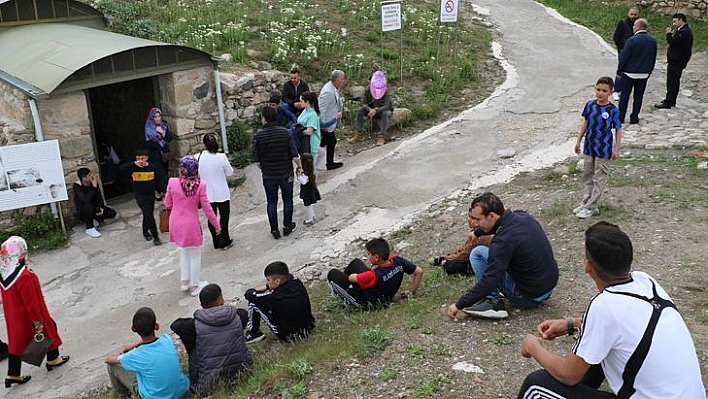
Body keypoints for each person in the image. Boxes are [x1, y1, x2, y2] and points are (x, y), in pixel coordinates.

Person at [517, 221, 706, 399]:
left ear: (588, 267)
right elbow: (625, 327)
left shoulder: (604, 305)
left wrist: (533, 346)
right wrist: (571, 324)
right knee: (596, 352)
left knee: (536, 385)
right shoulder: (645, 281)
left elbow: (569, 375)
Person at [447, 193, 558, 320]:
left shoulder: (502, 242)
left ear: (492, 216)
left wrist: (459, 305)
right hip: (547, 287)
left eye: (477, 219)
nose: (474, 223)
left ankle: (493, 303)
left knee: (477, 254)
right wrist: (477, 232)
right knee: (490, 255)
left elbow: (489, 279)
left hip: (529, 297)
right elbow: (496, 226)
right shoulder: (522, 216)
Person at [0, 236, 70, 388]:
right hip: (30, 316)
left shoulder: (4, 274)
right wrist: (37, 320)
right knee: (49, 329)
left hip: (14, 317)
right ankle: (53, 359)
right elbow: (31, 301)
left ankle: (13, 374)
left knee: (17, 344)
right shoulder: (24, 275)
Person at [170, 284, 252, 396]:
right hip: (242, 372)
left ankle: (195, 386)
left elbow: (175, 325)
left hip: (209, 384)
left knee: (196, 340)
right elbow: (245, 315)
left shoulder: (195, 325)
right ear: (222, 300)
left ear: (201, 305)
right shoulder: (239, 316)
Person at [165, 156, 222, 296]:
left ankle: (185, 282)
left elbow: (167, 203)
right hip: (191, 224)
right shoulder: (200, 186)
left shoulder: (172, 182)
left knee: (184, 252)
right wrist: (216, 224)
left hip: (175, 222)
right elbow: (207, 209)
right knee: (195, 255)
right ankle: (194, 286)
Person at [105, 307, 190, 399]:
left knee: (112, 367)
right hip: (182, 392)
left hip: (155, 397)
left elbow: (108, 360)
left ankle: (124, 395)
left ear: (133, 329)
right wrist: (139, 343)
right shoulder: (166, 339)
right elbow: (128, 349)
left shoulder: (135, 355)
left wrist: (126, 351)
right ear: (156, 326)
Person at [573, 76, 623, 219]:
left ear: (610, 92)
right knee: (587, 176)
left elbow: (618, 129)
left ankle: (592, 206)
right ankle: (586, 202)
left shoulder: (612, 110)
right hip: (589, 147)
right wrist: (578, 141)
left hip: (604, 149)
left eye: (604, 91)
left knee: (599, 177)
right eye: (598, 89)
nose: (600, 93)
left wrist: (616, 149)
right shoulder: (590, 105)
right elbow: (585, 123)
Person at [327, 238, 424, 310]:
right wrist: (411, 292)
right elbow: (419, 271)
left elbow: (352, 278)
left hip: (368, 302)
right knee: (356, 262)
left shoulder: (374, 275)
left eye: (369, 254)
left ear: (376, 257)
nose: (368, 256)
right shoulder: (398, 261)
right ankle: (350, 289)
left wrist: (354, 278)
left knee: (333, 274)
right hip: (385, 294)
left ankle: (350, 300)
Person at [252, 106, 302, 239]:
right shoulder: (285, 133)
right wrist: (300, 167)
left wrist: (264, 168)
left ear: (264, 119)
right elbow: (294, 154)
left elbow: (256, 160)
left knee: (272, 202)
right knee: (288, 199)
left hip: (269, 175)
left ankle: (274, 229)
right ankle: (287, 225)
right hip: (286, 172)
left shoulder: (258, 136)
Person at [244, 261, 315, 344]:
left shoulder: (274, 296)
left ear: (277, 281)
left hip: (290, 336)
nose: (267, 282)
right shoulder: (295, 281)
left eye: (268, 280)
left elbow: (249, 295)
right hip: (309, 326)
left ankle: (254, 333)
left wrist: (255, 290)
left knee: (253, 303)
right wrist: (268, 287)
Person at [196, 133, 234, 250]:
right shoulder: (221, 157)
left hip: (206, 193)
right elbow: (230, 172)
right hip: (221, 191)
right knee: (224, 217)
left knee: (211, 217)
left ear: (204, 144)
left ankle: (216, 241)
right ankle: (225, 239)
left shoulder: (198, 157)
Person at [616, 18, 657, 125]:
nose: (633, 27)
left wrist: (619, 71)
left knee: (624, 96)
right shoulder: (652, 40)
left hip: (630, 73)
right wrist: (649, 71)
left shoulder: (632, 40)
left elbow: (624, 57)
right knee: (638, 96)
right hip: (644, 73)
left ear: (639, 27)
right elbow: (653, 57)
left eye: (634, 25)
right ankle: (634, 117)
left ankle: (620, 117)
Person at [121, 147, 161, 246]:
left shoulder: (152, 167)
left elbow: (158, 180)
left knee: (148, 214)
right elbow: (121, 169)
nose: (140, 161)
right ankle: (156, 237)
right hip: (140, 196)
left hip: (151, 195)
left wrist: (160, 191)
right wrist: (133, 164)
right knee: (149, 215)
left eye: (142, 158)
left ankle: (145, 231)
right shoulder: (133, 167)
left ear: (147, 158)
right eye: (138, 159)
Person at [655, 13, 693, 109]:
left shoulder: (684, 32)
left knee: (672, 82)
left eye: (675, 21)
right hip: (675, 60)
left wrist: (668, 34)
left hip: (677, 61)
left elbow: (673, 42)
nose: (674, 23)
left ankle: (668, 102)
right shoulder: (681, 30)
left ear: (681, 20)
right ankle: (671, 100)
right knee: (673, 81)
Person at [349, 70, 393, 146]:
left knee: (386, 114)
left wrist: (376, 110)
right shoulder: (367, 90)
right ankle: (359, 134)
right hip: (371, 110)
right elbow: (363, 103)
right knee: (360, 111)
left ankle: (381, 136)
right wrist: (370, 109)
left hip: (382, 111)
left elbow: (387, 106)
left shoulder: (385, 90)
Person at [73, 167, 117, 238]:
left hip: (95, 208)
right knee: (88, 206)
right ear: (84, 178)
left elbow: (99, 196)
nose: (91, 176)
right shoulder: (77, 186)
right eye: (89, 175)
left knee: (112, 213)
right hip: (84, 211)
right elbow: (85, 200)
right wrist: (93, 187)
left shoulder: (93, 183)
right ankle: (89, 228)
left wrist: (101, 207)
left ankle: (95, 220)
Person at [318, 69, 346, 170]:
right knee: (331, 141)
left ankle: (317, 158)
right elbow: (322, 109)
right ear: (337, 80)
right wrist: (323, 124)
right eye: (342, 79)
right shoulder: (328, 92)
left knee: (325, 141)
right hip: (327, 123)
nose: (344, 81)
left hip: (331, 121)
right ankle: (329, 163)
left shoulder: (333, 87)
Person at [144, 107, 173, 201]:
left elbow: (169, 138)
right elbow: (148, 144)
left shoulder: (164, 125)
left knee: (164, 172)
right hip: (154, 154)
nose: (157, 118)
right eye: (155, 116)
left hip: (164, 153)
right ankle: (163, 192)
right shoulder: (148, 127)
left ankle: (164, 191)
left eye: (159, 116)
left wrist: (162, 132)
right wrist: (158, 141)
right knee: (158, 173)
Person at [611, 6, 639, 101]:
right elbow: (616, 37)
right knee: (621, 70)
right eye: (631, 14)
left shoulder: (639, 23)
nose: (633, 16)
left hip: (635, 52)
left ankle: (624, 90)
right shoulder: (622, 23)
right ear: (628, 14)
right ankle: (616, 90)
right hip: (624, 51)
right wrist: (621, 49)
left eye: (635, 14)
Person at [297, 91, 322, 165]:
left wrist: (297, 132)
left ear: (307, 102)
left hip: (311, 144)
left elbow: (309, 131)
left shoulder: (313, 115)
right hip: (303, 143)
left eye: (301, 101)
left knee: (310, 167)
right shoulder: (305, 111)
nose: (300, 103)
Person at [298, 153, 320, 226]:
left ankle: (310, 219)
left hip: (306, 191)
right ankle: (312, 216)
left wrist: (298, 175)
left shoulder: (305, 172)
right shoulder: (311, 170)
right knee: (309, 205)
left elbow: (303, 181)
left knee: (308, 205)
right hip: (311, 189)